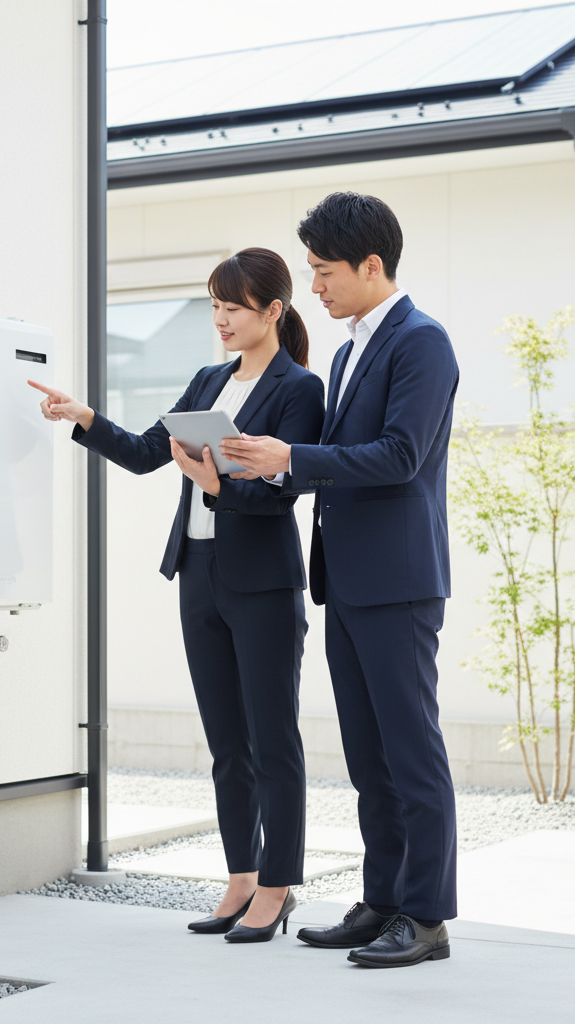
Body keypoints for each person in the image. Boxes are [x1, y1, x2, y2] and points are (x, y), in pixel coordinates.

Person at [29, 248, 324, 942]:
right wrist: (85, 417)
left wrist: (220, 484)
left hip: (264, 581)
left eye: (234, 309)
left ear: (272, 311)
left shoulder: (299, 389)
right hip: (199, 572)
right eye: (215, 307)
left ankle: (277, 889)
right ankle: (241, 879)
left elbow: (291, 489)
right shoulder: (207, 378)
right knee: (227, 742)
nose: (220, 320)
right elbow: (142, 454)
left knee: (272, 740)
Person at [220, 193, 459, 969]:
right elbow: (325, 461)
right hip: (348, 581)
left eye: (324, 272)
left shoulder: (422, 343)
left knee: (411, 755)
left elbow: (399, 457)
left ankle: (425, 919)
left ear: (371, 266)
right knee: (368, 756)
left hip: (398, 581)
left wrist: (293, 460)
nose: (314, 287)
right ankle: (383, 899)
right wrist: (262, 464)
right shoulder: (355, 348)